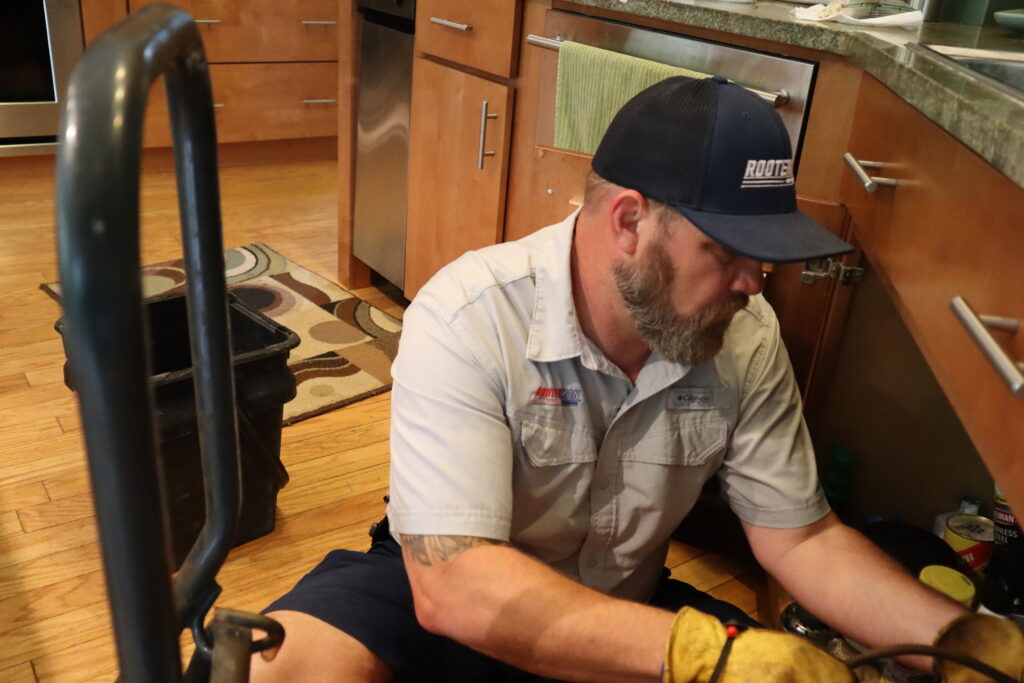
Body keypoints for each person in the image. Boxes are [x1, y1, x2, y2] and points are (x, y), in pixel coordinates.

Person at [252, 76, 971, 682]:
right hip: (450, 586)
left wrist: (964, 642)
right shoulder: (469, 314)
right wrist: (703, 655)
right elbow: (452, 582)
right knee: (279, 666)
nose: (757, 281)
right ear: (630, 221)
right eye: (730, 251)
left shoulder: (743, 335)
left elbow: (803, 539)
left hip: (618, 606)